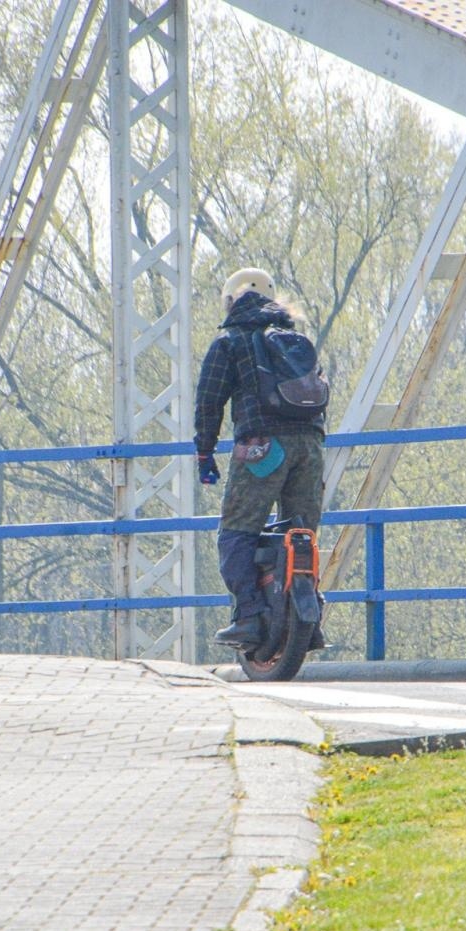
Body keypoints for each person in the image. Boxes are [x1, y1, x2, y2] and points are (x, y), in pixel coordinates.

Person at [194, 268, 325, 648]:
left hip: (263, 449)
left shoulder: (230, 342)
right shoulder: (297, 340)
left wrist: (205, 452)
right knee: (302, 534)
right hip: (310, 447)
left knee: (236, 531)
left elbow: (208, 401)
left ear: (230, 301)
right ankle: (309, 616)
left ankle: (248, 616)